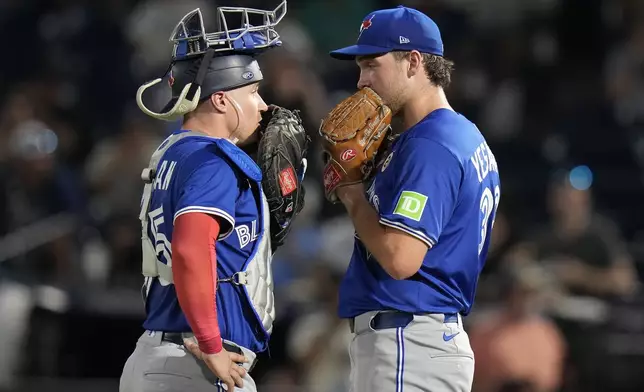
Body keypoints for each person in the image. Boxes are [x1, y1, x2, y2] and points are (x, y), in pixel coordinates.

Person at [119, 3, 296, 392]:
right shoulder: (214, 160)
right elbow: (191, 247)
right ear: (221, 99)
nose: (262, 104)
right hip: (193, 362)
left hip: (165, 356)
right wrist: (211, 344)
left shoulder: (175, 150)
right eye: (252, 91)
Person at [326, 5, 501, 392]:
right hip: (420, 338)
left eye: (372, 65)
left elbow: (401, 258)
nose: (361, 81)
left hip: (409, 339)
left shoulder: (432, 145)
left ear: (413, 62)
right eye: (360, 67)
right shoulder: (456, 136)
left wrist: (353, 195)